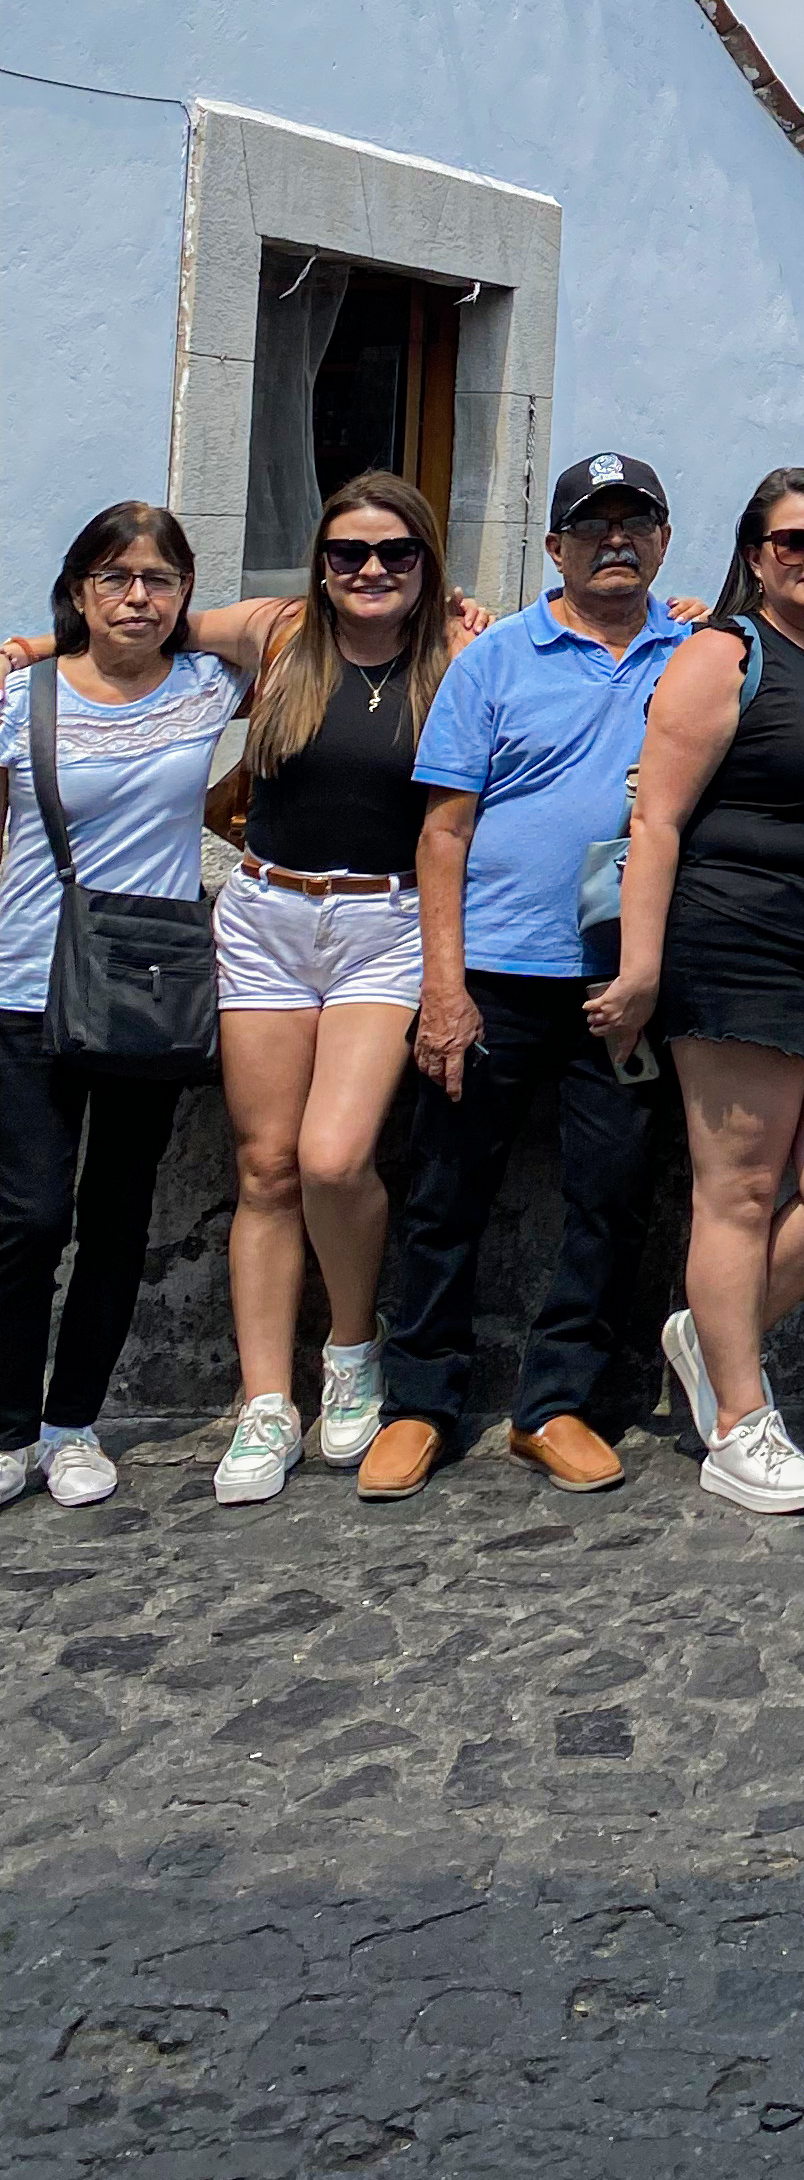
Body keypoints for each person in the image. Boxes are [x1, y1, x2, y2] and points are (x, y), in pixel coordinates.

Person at [358, 451, 690, 1500]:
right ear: (554, 547)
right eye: (592, 525)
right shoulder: (494, 659)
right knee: (446, 1193)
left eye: (634, 523)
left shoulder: (698, 655)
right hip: (496, 972)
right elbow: (442, 834)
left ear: (664, 542)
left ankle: (555, 1406)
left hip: (625, 981)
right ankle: (420, 1404)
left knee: (610, 1198)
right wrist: (443, 987)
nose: (614, 541)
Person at [599, 470, 804, 1517]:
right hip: (740, 943)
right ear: (754, 556)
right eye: (793, 541)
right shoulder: (724, 655)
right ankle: (740, 1427)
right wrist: (640, 970)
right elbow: (656, 820)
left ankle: (710, 1334)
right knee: (737, 1193)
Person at [208, 474, 484, 1503]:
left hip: (385, 925)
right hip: (267, 916)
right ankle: (264, 1402)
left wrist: (687, 615)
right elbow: (144, 622)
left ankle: (352, 1349)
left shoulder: (458, 656)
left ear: (427, 562)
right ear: (321, 565)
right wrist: (29, 648)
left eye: (395, 553)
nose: (371, 570)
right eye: (348, 553)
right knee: (266, 1166)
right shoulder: (280, 635)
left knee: (333, 1157)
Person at [0, 507, 248, 1507]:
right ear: (79, 590)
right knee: (28, 1216)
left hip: (148, 987)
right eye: (113, 577)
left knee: (117, 1215)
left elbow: (304, 630)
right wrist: (35, 648)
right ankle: (9, 1427)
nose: (137, 597)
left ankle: (73, 1424)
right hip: (25, 981)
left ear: (185, 592)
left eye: (159, 579)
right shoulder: (22, 696)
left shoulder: (208, 686)